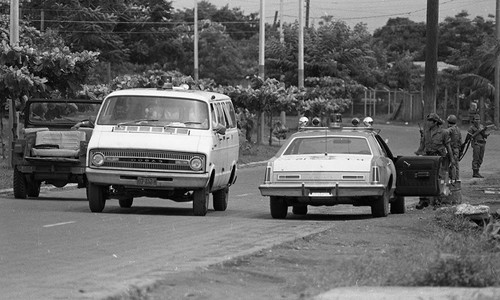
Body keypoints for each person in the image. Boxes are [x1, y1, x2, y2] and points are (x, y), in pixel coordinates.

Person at [415, 113, 454, 209]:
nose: (428, 123)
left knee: (439, 180)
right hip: (427, 157)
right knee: (423, 177)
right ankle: (423, 200)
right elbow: (422, 145)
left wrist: (452, 160)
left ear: (435, 122)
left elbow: (448, 147)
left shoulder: (444, 133)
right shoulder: (426, 132)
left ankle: (438, 201)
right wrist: (419, 153)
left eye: (430, 121)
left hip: (439, 159)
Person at [446, 114, 462, 181]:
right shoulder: (458, 129)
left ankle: (453, 179)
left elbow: (444, 134)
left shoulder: (450, 129)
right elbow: (460, 140)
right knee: (456, 165)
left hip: (451, 149)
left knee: (451, 165)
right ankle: (456, 178)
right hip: (457, 149)